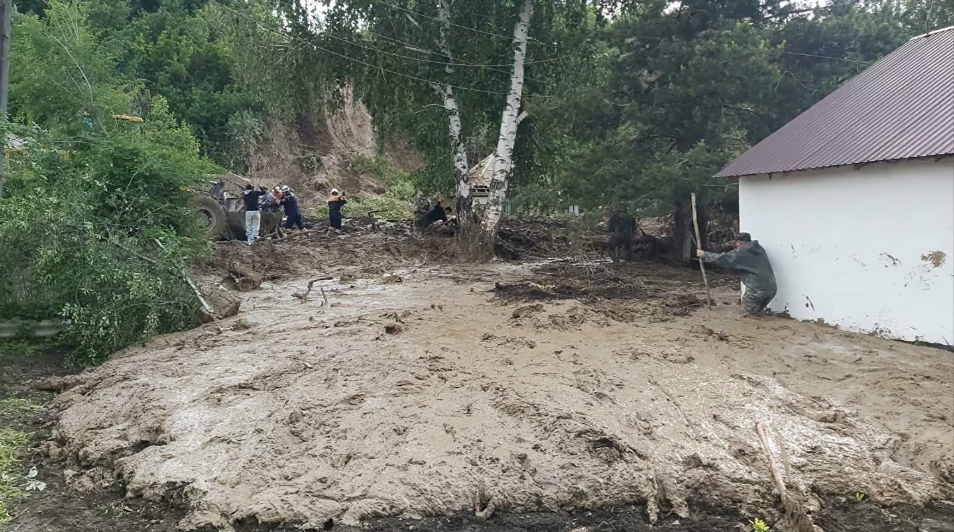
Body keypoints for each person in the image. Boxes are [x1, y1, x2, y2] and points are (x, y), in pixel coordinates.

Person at [697, 232, 777, 316]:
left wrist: (704, 255)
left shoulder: (742, 252)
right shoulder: (759, 249)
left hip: (757, 291)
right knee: (755, 314)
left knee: (746, 317)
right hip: (771, 288)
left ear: (739, 242)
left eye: (736, 244)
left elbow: (723, 258)